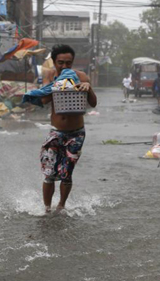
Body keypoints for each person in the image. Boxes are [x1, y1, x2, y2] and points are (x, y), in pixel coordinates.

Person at [40, 44, 97, 212]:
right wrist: (56, 85)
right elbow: (43, 101)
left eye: (68, 63)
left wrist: (88, 88)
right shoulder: (50, 75)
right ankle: (46, 209)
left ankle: (61, 207)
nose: (64, 66)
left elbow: (93, 103)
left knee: (66, 173)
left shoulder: (81, 76)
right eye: (60, 63)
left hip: (76, 133)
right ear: (54, 62)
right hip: (56, 131)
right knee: (49, 173)